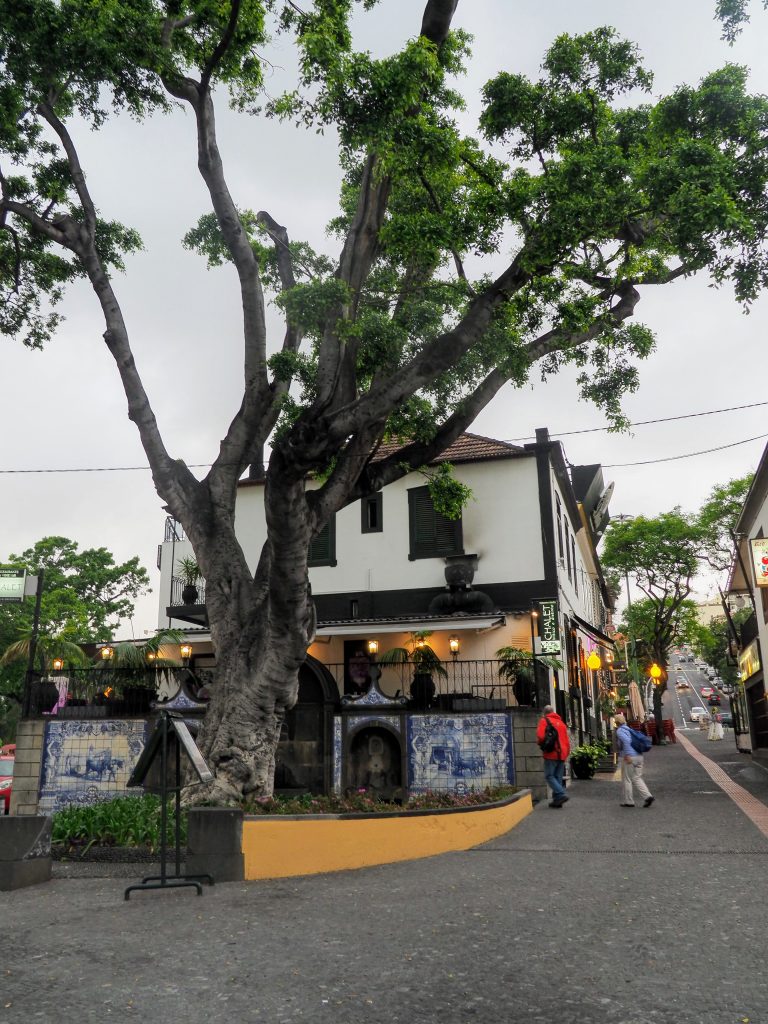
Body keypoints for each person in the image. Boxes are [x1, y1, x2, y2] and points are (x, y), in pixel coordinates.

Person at [614, 713, 654, 808]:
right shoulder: (629, 729)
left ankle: (629, 801)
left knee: (627, 779)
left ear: (616, 722)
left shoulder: (620, 731)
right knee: (637, 778)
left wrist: (627, 754)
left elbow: (627, 741)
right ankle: (648, 796)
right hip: (639, 756)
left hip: (630, 757)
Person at [536, 705, 571, 808]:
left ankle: (560, 794)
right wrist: (566, 753)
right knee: (557, 777)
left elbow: (541, 736)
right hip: (562, 753)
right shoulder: (562, 723)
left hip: (551, 752)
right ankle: (557, 801)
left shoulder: (544, 721)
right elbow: (566, 741)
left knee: (549, 776)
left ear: (544, 713)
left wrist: (541, 744)